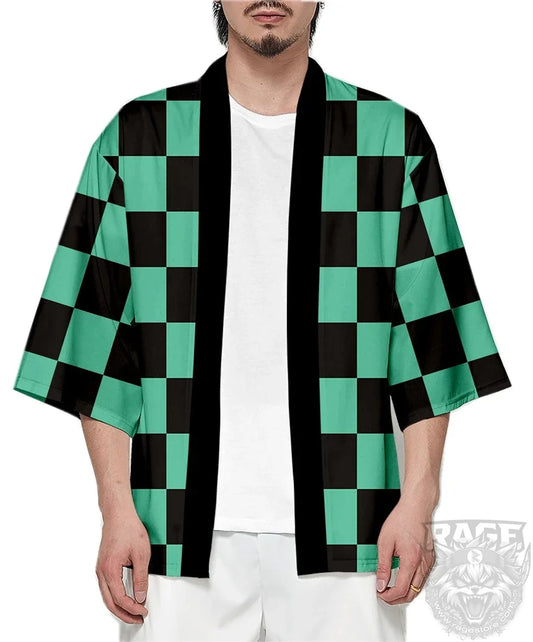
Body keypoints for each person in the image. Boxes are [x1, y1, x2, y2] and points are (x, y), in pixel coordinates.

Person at [12, 2, 512, 641]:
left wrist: (418, 503)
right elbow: (97, 341)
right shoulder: (139, 138)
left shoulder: (390, 138)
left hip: (351, 528)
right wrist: (115, 510)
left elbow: (431, 343)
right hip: (173, 529)